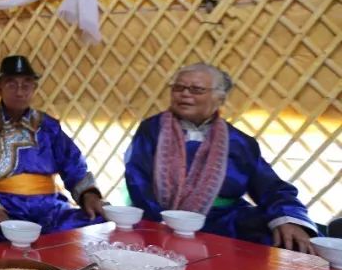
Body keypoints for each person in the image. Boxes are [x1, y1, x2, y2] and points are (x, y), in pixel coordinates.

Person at [124, 62, 318, 252]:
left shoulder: (240, 142)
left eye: (196, 90)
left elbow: (271, 187)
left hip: (225, 221)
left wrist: (289, 218)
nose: (185, 94)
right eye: (178, 88)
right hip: (161, 217)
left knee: (283, 236)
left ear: (220, 98)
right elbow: (137, 179)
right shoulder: (152, 129)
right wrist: (164, 219)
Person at [0, 55, 105, 243]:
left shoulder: (49, 126)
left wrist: (88, 195)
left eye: (26, 85)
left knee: (98, 222)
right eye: (12, 84)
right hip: (3, 208)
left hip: (51, 209)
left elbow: (72, 163)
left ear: (34, 88)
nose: (20, 92)